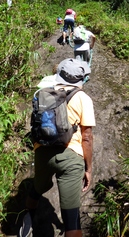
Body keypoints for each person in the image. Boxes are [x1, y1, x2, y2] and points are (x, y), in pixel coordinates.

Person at [22, 58, 95, 237]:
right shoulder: (83, 98)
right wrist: (89, 168)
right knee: (72, 218)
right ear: (82, 78)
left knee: (37, 188)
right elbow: (87, 137)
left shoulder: (42, 93)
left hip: (42, 152)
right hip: (70, 157)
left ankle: (26, 219)